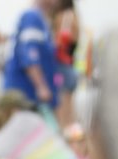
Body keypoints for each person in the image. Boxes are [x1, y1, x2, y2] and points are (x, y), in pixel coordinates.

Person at [3, 0, 60, 116]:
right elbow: (29, 54)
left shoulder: (42, 19)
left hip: (32, 95)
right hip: (26, 95)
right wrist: (41, 86)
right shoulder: (32, 17)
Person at [52, 0, 80, 128]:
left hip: (62, 66)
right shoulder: (74, 15)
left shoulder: (66, 16)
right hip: (69, 66)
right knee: (69, 112)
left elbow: (63, 39)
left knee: (63, 114)